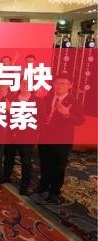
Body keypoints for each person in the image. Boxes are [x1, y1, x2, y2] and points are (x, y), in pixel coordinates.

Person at [37, 73, 84, 203]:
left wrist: (67, 114)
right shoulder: (47, 98)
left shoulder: (74, 101)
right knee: (45, 162)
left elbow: (80, 121)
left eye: (63, 84)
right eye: (57, 83)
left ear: (70, 86)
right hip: (45, 137)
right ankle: (43, 185)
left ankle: (54, 192)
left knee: (58, 167)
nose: (59, 86)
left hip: (62, 140)